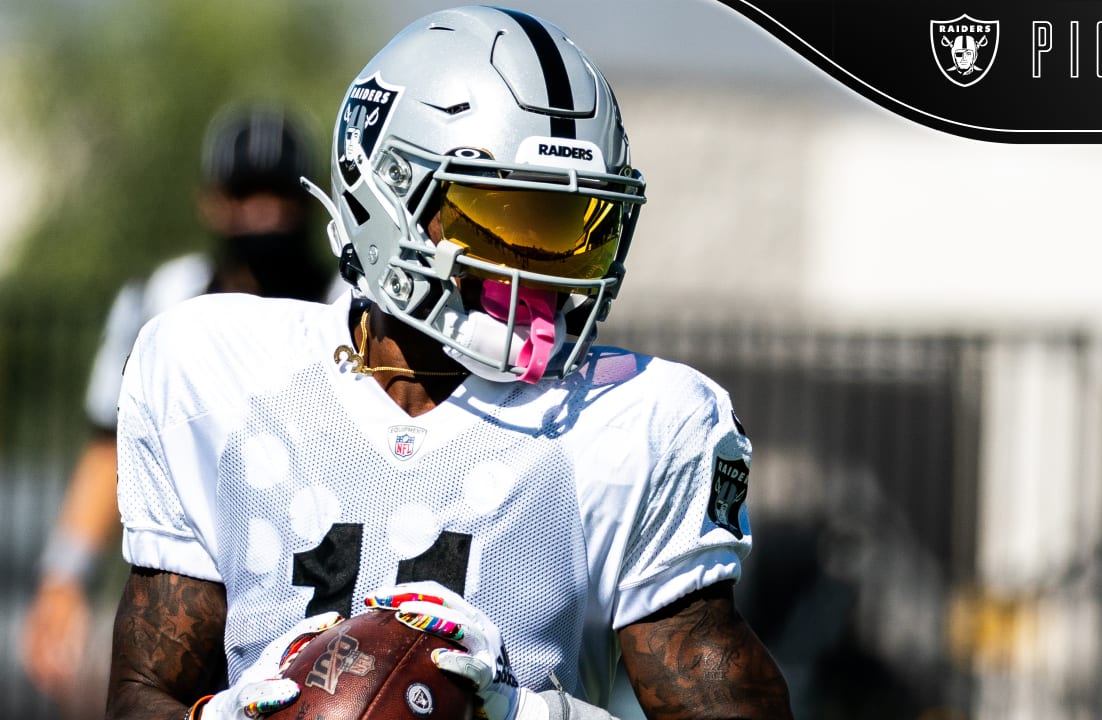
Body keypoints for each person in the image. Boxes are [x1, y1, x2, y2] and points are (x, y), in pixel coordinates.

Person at [105, 7, 793, 720]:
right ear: (390, 192)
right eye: (506, 218)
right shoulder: (216, 368)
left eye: (573, 229)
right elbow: (140, 698)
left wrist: (534, 715)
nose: (546, 271)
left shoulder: (637, 421)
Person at [22, 102, 335, 718]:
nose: (264, 214)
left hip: (309, 587)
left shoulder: (347, 305)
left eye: (280, 194)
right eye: (247, 194)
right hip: (184, 593)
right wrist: (63, 578)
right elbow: (110, 441)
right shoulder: (163, 301)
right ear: (212, 201)